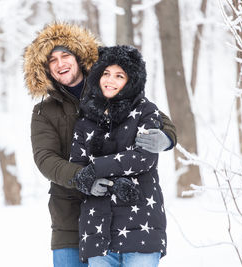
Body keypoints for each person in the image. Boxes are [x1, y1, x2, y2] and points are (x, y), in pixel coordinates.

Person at [23, 23, 176, 267]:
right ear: (44, 69)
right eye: (52, 60)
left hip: (121, 210)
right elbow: (45, 159)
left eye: (65, 56)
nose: (60, 64)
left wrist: (167, 137)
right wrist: (83, 176)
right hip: (70, 214)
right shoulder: (44, 111)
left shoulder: (108, 85)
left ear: (78, 57)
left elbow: (152, 116)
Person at [70, 45, 166, 266]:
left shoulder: (146, 111)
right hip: (97, 232)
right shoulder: (85, 119)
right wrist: (86, 183)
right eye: (105, 73)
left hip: (141, 229)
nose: (110, 80)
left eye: (119, 75)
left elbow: (144, 157)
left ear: (131, 80)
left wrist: (96, 169)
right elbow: (78, 165)